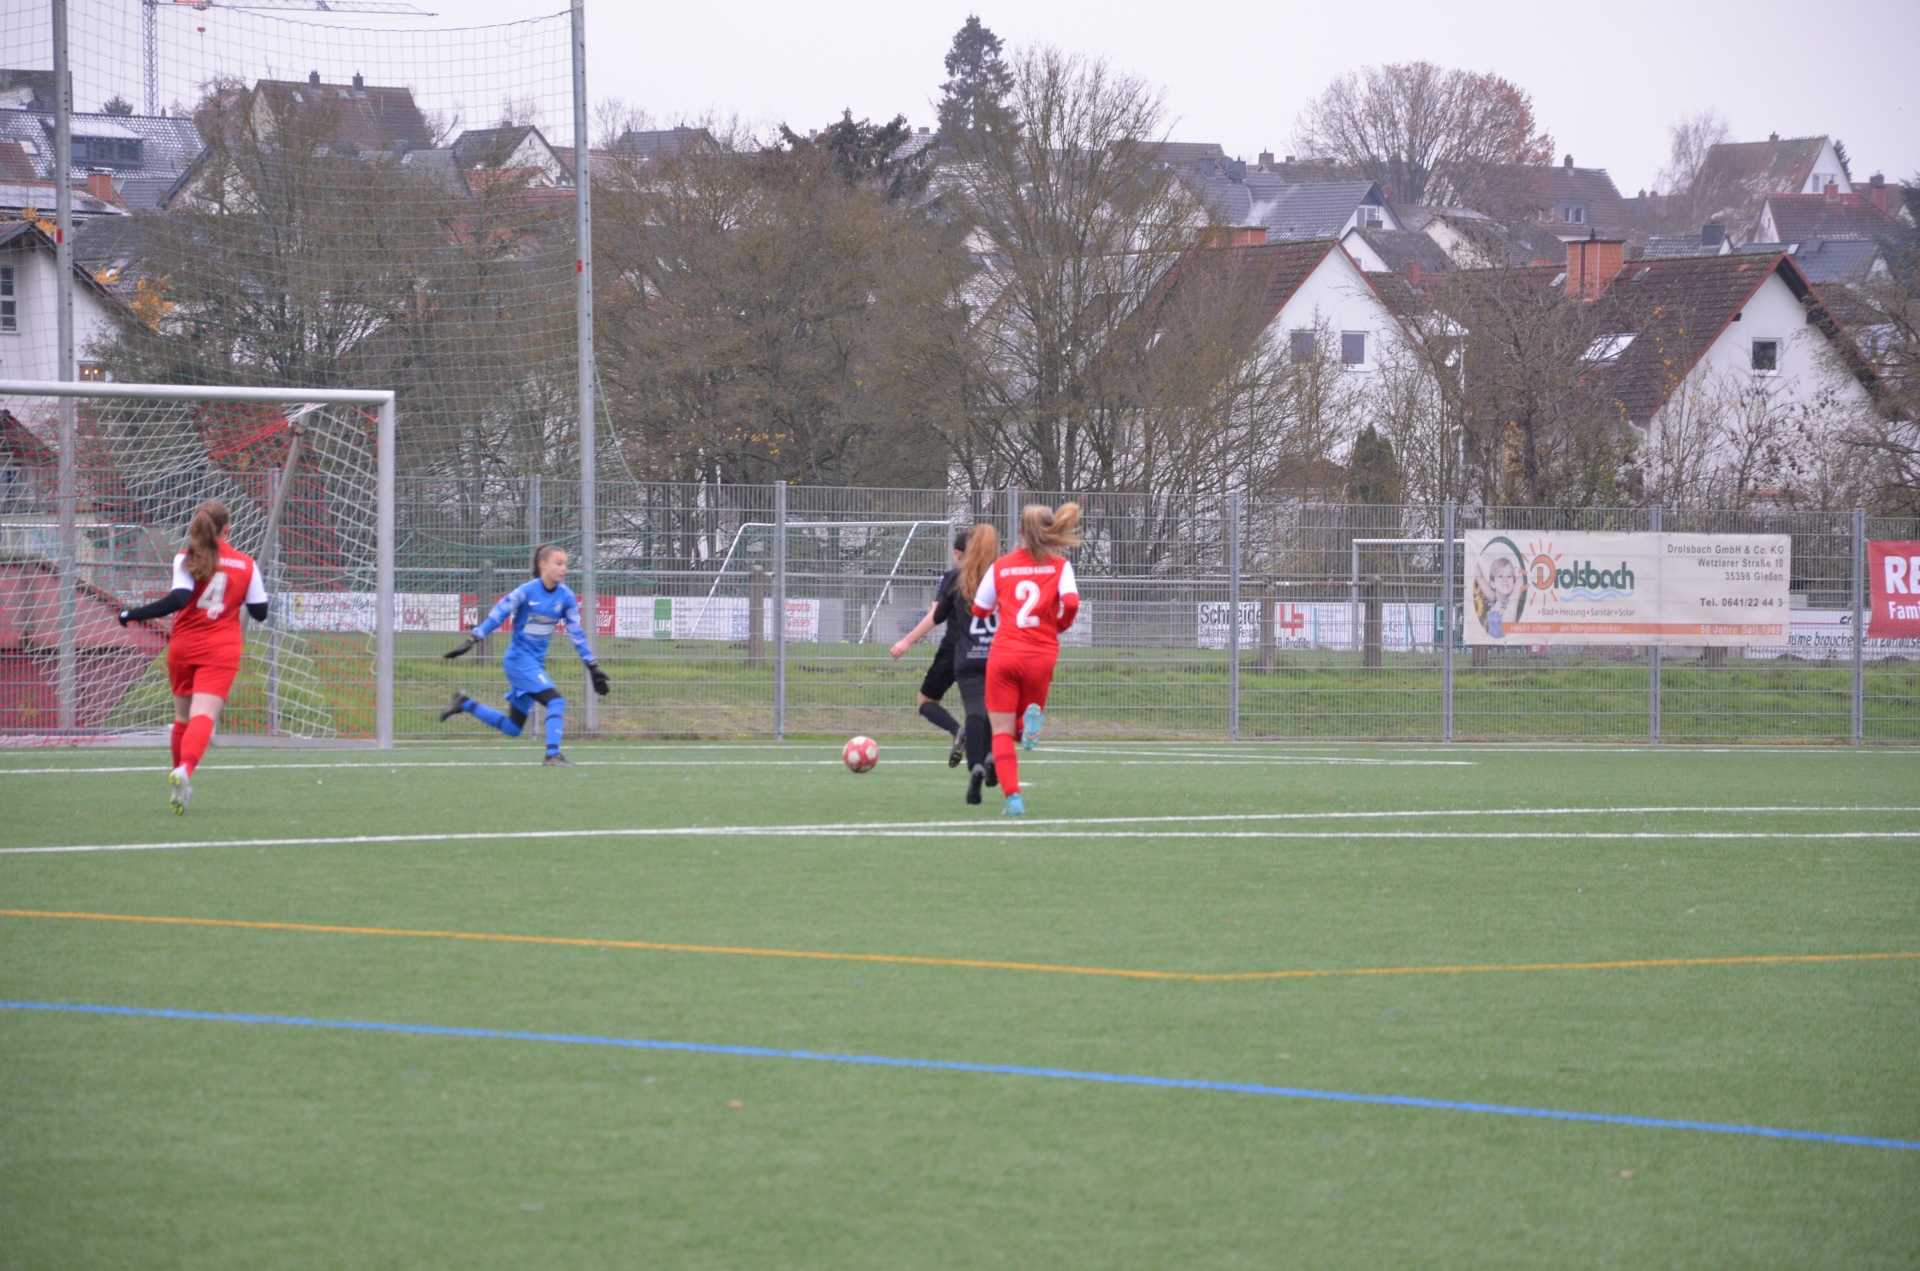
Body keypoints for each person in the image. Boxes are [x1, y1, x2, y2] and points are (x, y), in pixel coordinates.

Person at [116, 500, 269, 814]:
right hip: (221, 649)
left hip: (184, 646)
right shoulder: (248, 564)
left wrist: (133, 613)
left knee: (182, 719)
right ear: (227, 529)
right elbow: (260, 613)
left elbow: (179, 599)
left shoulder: (186, 558)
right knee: (204, 717)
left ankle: (179, 783)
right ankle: (184, 770)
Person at [441, 544, 609, 765]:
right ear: (543, 565)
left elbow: (576, 633)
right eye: (558, 564)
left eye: (565, 564)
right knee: (556, 702)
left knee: (513, 728)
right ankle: (552, 755)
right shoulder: (526, 591)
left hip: (534, 664)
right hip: (519, 661)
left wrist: (592, 666)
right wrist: (474, 638)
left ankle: (464, 704)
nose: (564, 569)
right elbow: (499, 613)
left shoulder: (566, 597)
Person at [971, 503, 1082, 816]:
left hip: (1005, 653)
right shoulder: (1060, 566)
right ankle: (1028, 723)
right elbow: (1072, 603)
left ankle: (1013, 799)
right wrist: (1059, 624)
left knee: (1002, 731)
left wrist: (996, 607)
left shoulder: (1002, 566)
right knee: (1020, 725)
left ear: (1019, 531)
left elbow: (980, 609)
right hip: (1041, 654)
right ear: (1050, 531)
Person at [888, 528, 969, 768]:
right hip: (987, 650)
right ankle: (987, 755)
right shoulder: (993, 579)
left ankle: (957, 730)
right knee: (980, 707)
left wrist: (906, 641)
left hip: (953, 649)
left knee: (926, 701)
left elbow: (935, 615)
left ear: (958, 553)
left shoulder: (952, 579)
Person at [942, 523, 1000, 804]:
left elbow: (938, 615)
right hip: (998, 657)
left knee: (975, 712)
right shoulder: (1003, 577)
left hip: (967, 657)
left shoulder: (957, 580)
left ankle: (976, 765)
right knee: (995, 712)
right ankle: (991, 756)